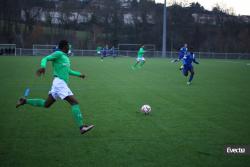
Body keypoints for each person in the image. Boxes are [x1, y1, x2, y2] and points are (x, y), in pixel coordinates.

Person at [16, 40, 94, 134]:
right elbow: (45, 58)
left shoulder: (65, 58)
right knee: (74, 102)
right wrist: (43, 67)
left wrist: (79, 74)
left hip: (59, 84)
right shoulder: (58, 53)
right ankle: (82, 127)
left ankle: (24, 101)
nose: (69, 47)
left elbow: (68, 71)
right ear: (65, 46)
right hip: (59, 83)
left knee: (46, 104)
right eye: (68, 46)